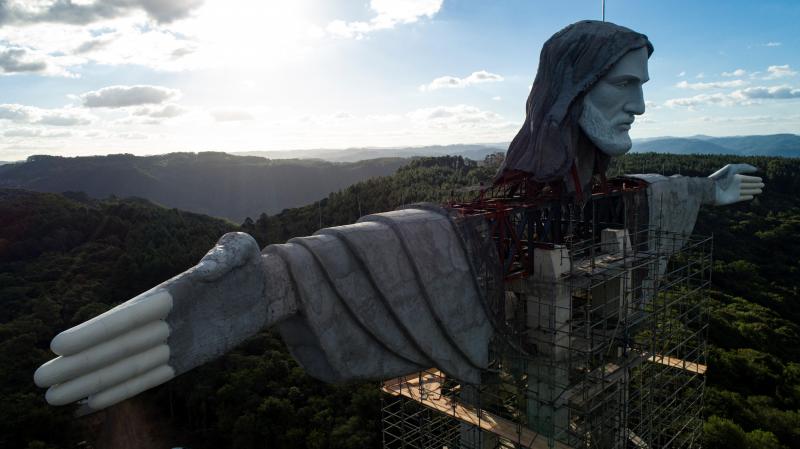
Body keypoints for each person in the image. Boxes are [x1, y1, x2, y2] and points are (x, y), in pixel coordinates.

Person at [34, 20, 764, 413]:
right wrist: (269, 282)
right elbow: (398, 240)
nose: (640, 104)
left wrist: (703, 189)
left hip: (586, 362)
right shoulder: (483, 220)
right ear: (573, 92)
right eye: (627, 84)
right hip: (545, 374)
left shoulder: (617, 191)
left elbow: (640, 189)